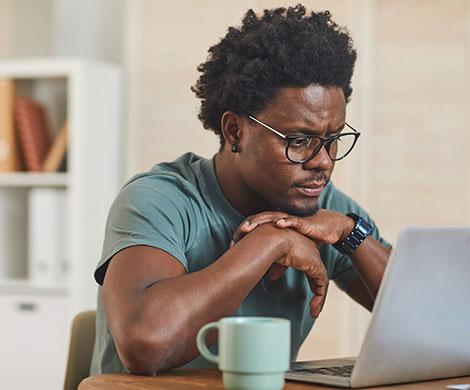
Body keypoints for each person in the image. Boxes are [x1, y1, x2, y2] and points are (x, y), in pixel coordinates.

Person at [90, 4, 391, 376]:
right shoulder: (161, 199)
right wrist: (269, 242)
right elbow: (146, 344)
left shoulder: (325, 211)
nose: (324, 161)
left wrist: (351, 234)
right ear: (235, 132)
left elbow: (440, 325)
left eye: (333, 140)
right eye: (299, 140)